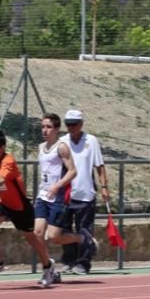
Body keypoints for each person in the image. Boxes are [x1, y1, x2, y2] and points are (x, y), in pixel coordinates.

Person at [0, 129, 58, 287]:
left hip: (20, 207)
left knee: (33, 240)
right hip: (4, 204)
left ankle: (48, 267)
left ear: (2, 147)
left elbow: (0, 180)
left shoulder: (8, 161)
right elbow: (4, 186)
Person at [59, 109, 107, 274]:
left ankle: (83, 263)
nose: (71, 127)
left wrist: (104, 187)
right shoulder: (62, 141)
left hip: (86, 193)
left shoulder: (91, 141)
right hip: (66, 194)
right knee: (64, 229)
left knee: (84, 229)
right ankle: (69, 260)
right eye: (68, 124)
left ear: (81, 124)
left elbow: (99, 166)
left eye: (74, 124)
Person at [33, 113, 78, 285]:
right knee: (37, 234)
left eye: (48, 127)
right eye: (43, 126)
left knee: (52, 237)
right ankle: (48, 269)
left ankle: (81, 238)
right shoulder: (40, 147)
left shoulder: (62, 147)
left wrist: (57, 185)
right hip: (42, 196)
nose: (45, 130)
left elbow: (73, 171)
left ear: (57, 129)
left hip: (57, 197)